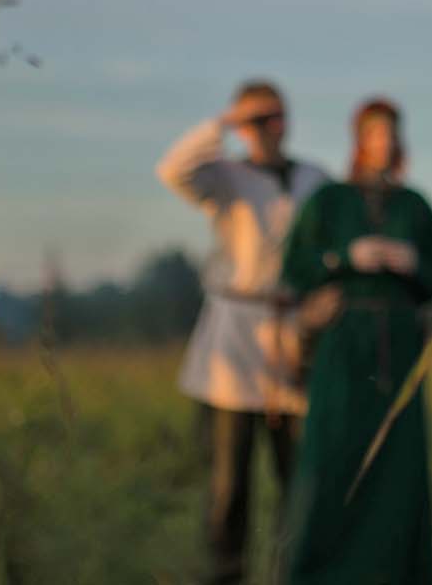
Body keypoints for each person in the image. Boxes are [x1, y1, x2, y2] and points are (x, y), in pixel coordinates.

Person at [158, 80, 328, 585]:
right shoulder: (225, 177)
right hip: (234, 338)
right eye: (260, 118)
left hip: (296, 332)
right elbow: (173, 170)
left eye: (276, 116)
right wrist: (226, 124)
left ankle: (292, 572)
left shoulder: (314, 178)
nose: (270, 127)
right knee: (229, 484)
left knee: (298, 479)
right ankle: (226, 574)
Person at [278, 97, 432, 585]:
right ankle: (323, 573)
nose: (384, 142)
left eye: (390, 132)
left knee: (400, 461)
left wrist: (412, 263)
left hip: (398, 345)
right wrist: (344, 257)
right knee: (334, 453)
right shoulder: (330, 201)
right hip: (344, 341)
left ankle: (398, 570)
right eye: (374, 133)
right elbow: (296, 267)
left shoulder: (414, 205)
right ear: (358, 139)